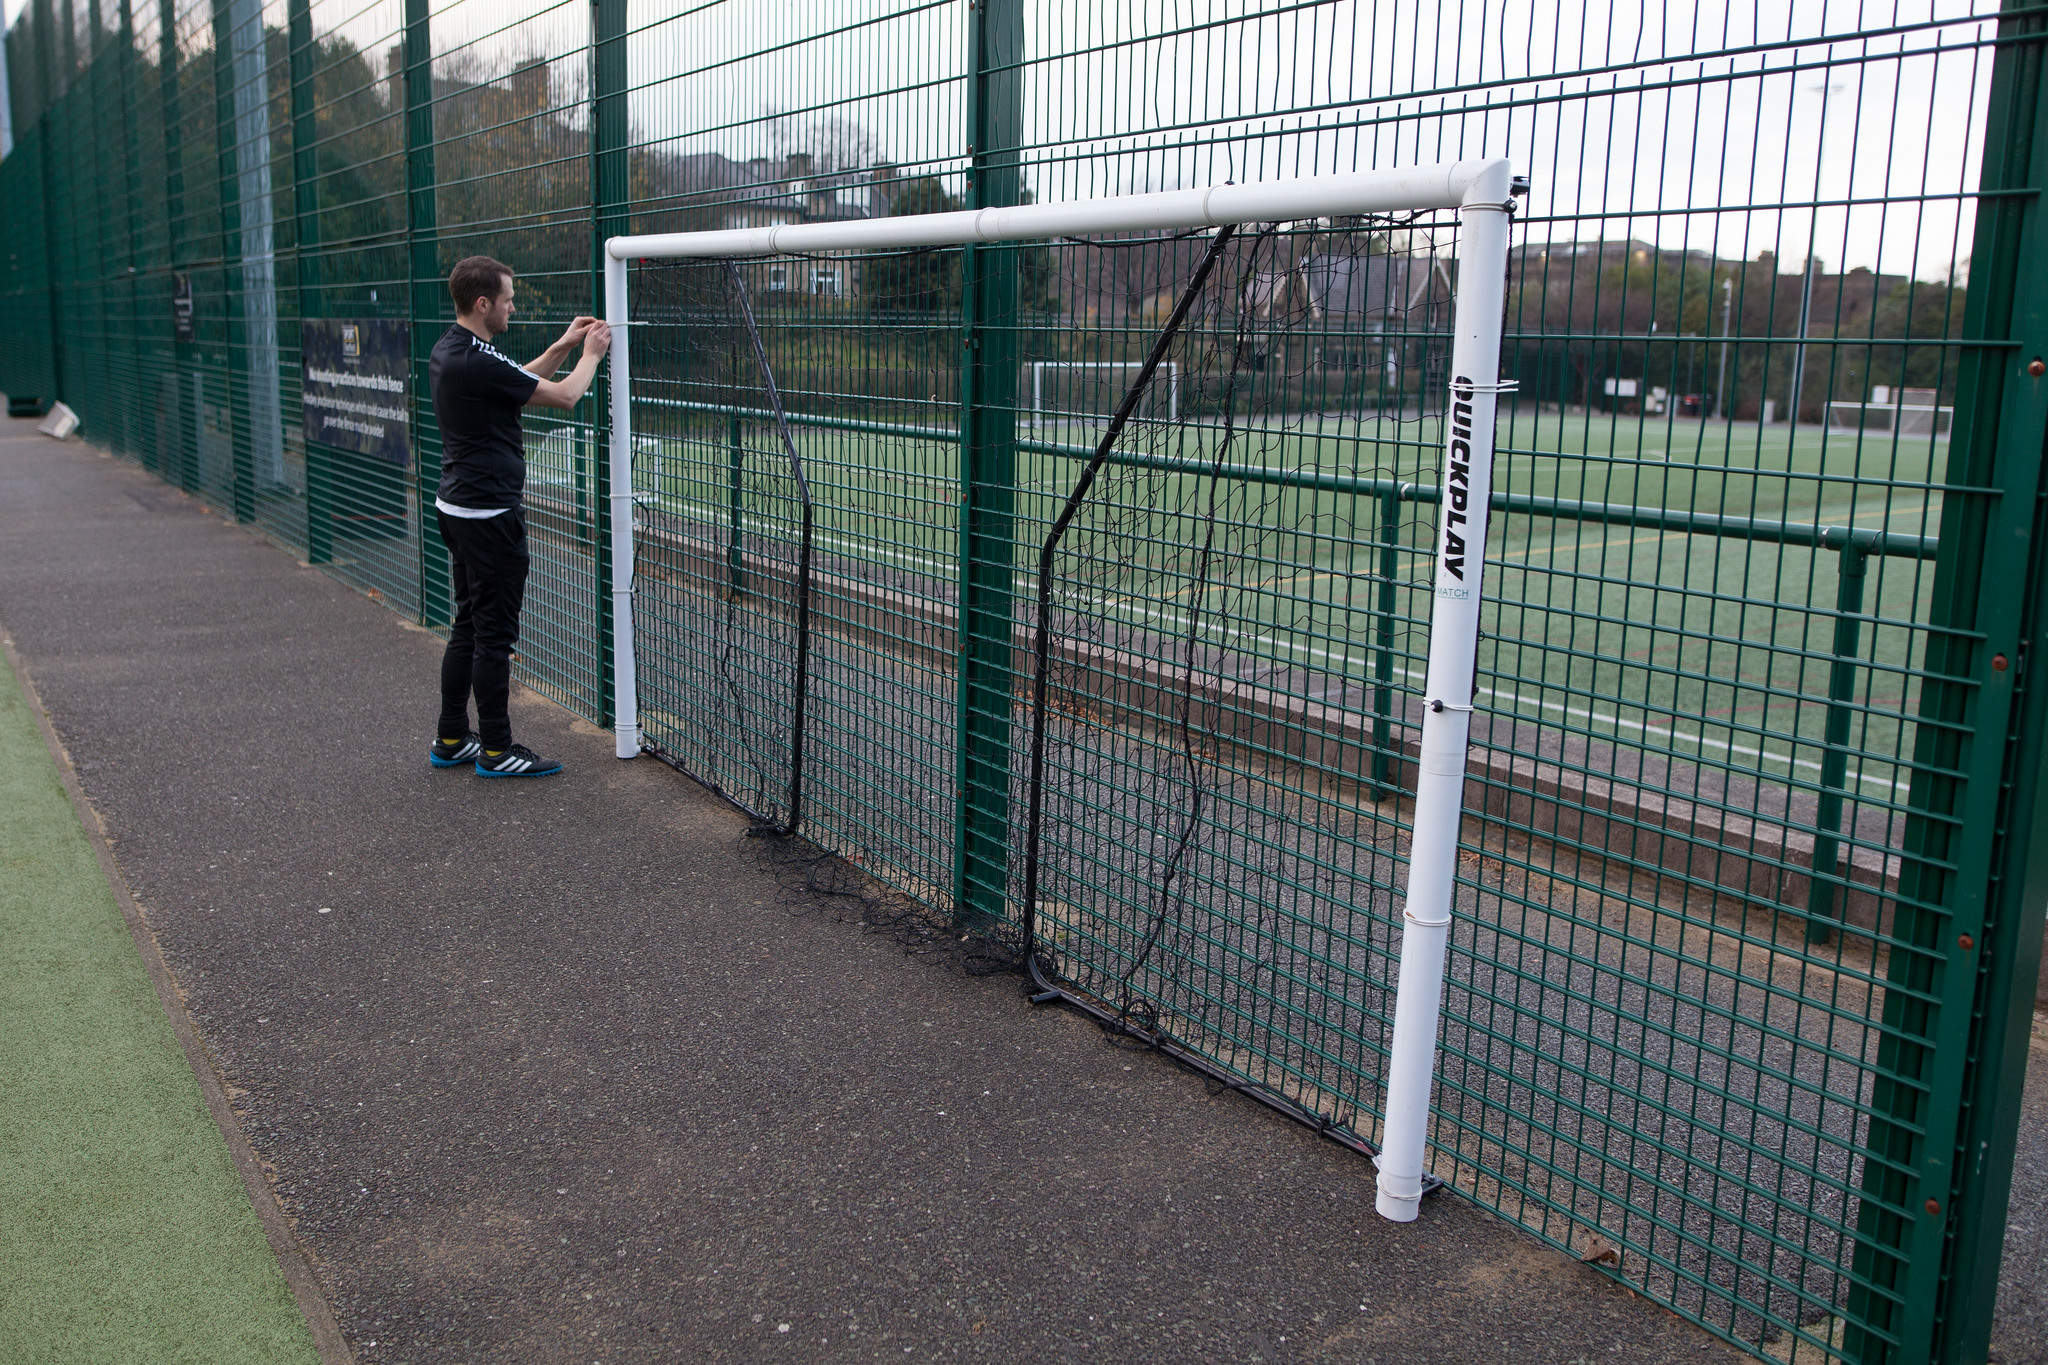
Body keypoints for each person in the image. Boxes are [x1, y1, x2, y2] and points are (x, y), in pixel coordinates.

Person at [427, 255, 610, 777]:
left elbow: (515, 383)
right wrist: (592, 355)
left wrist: (563, 345)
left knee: (467, 624)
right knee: (493, 637)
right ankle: (497, 749)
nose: (513, 307)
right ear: (483, 303)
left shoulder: (452, 350)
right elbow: (567, 396)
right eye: (508, 299)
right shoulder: (479, 359)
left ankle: (452, 737)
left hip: (456, 508)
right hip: (489, 518)